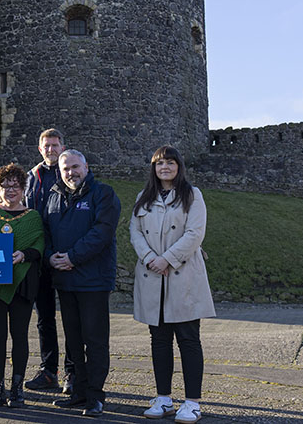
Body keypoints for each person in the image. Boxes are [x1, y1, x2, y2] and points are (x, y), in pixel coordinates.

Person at [129, 146, 215, 424]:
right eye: (159, 163)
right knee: (160, 340)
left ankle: (192, 403)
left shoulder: (192, 195)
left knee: (189, 340)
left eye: (169, 162)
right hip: (153, 275)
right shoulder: (144, 197)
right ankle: (163, 398)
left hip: (183, 275)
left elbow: (195, 233)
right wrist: (151, 258)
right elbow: (135, 232)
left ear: (179, 166)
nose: (164, 167)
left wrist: (167, 259)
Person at [43, 149, 121, 417]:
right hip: (65, 280)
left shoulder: (103, 194)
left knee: (95, 341)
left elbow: (102, 233)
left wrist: (73, 258)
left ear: (86, 167)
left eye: (75, 167)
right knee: (73, 341)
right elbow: (46, 232)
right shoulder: (53, 196)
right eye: (65, 169)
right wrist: (50, 257)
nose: (70, 173)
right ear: (59, 171)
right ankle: (78, 392)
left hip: (93, 281)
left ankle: (96, 396)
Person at [0, 163, 44, 408]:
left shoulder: (32, 216)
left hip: (22, 285)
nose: (10, 190)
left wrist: (24, 254)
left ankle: (17, 388)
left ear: (23, 189)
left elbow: (39, 247)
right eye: (5, 185)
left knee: (20, 336)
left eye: (16, 186)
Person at [23, 128, 74, 394]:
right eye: (47, 146)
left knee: (71, 318)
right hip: (41, 256)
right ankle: (49, 370)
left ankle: (73, 372)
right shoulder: (32, 176)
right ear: (40, 148)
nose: (51, 149)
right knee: (44, 317)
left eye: (55, 145)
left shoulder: (71, 171)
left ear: (62, 146)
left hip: (65, 256)